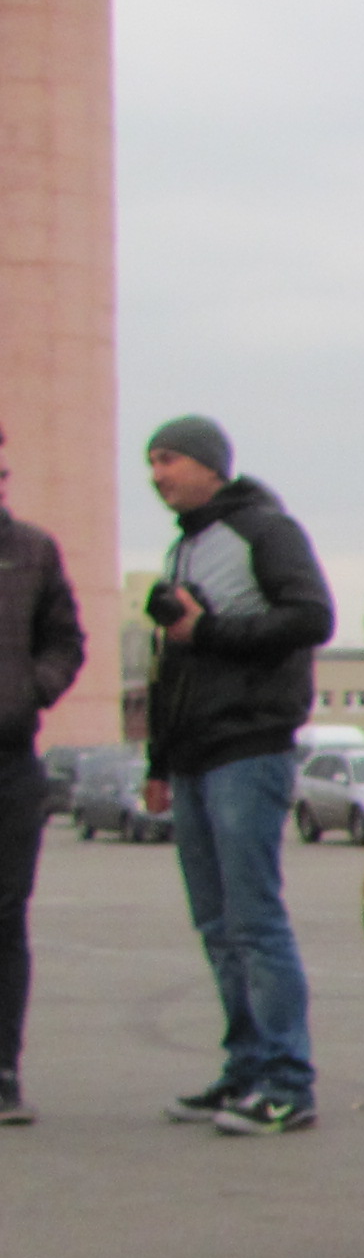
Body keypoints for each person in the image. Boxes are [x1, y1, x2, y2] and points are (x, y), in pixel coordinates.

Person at [141, 414, 332, 1135]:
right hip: (193, 758)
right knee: (218, 926)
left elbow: (311, 616)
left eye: (168, 459)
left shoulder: (265, 531)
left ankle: (288, 1083)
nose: (157, 475)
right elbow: (172, 665)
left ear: (210, 465)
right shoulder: (184, 547)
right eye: (151, 462)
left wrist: (211, 629)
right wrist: (158, 761)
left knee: (254, 922)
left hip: (248, 748)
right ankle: (246, 1068)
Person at [0, 419, 89, 1126]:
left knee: (5, 918)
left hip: (9, 762)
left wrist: (30, 690)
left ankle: (3, 1072)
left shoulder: (31, 551)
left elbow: (66, 640)